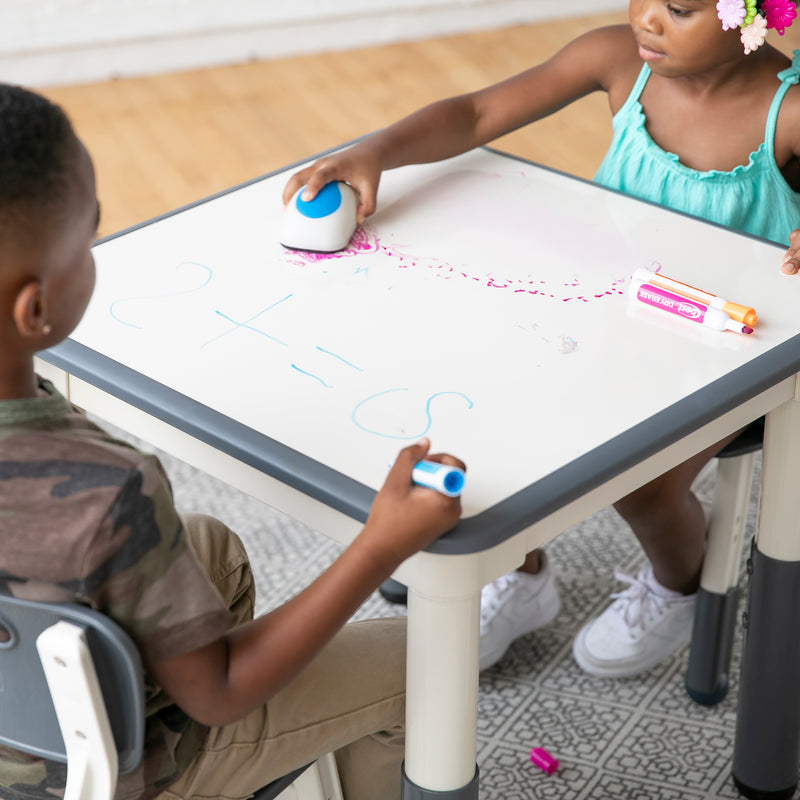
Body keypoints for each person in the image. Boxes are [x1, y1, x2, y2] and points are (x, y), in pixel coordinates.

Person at [283, 0, 800, 678]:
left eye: (677, 8)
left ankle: (677, 584)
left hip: (727, 358)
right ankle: (520, 572)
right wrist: (374, 150)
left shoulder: (786, 113)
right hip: (606, 320)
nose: (646, 19)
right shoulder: (616, 59)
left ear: (759, 14)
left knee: (642, 488)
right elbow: (475, 114)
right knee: (478, 400)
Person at [0, 83, 464, 800]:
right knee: (425, 663)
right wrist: (382, 544)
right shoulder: (108, 492)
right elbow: (217, 693)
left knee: (212, 547)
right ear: (35, 308)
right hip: (97, 778)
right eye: (87, 239)